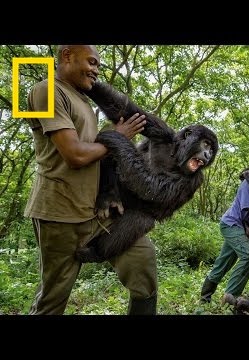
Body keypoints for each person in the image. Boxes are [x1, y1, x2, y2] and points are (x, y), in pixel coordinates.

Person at [24, 45, 158, 315]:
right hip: (59, 214)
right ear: (67, 56)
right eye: (92, 62)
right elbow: (74, 154)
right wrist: (118, 137)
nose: (97, 70)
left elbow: (99, 156)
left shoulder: (82, 100)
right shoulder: (48, 90)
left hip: (96, 214)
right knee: (54, 299)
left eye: (98, 65)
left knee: (142, 258)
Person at [200, 155, 249, 303]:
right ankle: (231, 296)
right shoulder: (247, 185)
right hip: (231, 224)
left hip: (246, 228)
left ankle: (204, 298)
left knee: (224, 262)